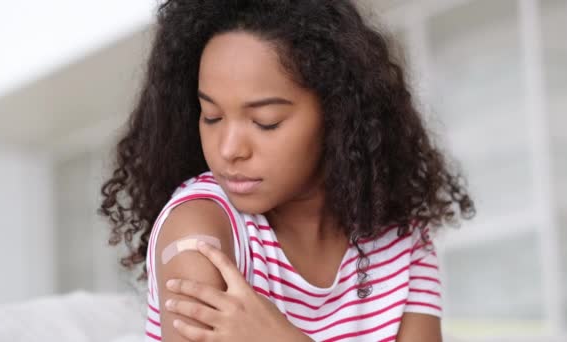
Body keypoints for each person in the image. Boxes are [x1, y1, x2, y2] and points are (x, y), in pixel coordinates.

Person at [100, 0, 475, 341]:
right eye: (211, 116)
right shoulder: (200, 234)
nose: (229, 150)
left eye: (266, 121)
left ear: (338, 115)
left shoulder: (402, 240)